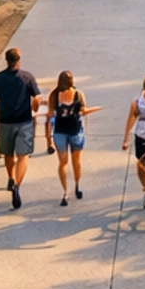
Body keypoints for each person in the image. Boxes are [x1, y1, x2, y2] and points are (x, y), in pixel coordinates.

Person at [0, 44, 40, 208]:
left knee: (8, 154)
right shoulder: (27, 77)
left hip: (4, 122)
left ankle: (11, 177)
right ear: (19, 60)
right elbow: (36, 98)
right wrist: (36, 105)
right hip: (24, 122)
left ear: (6, 61)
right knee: (23, 156)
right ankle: (17, 186)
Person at [46, 69, 97, 203]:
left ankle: (65, 192)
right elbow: (84, 111)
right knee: (76, 162)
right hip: (75, 130)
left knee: (62, 163)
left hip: (59, 131)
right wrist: (97, 108)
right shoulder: (78, 94)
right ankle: (77, 185)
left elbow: (50, 115)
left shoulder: (54, 95)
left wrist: (48, 138)